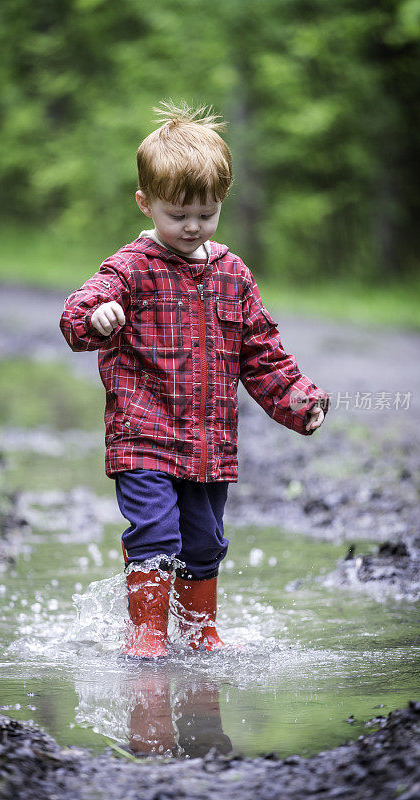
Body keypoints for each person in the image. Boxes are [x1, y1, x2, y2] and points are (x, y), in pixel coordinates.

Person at [60, 101, 330, 660]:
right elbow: (79, 311)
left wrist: (298, 399)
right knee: (155, 534)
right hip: (143, 436)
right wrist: (96, 317)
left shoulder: (232, 273)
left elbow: (261, 352)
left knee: (205, 542)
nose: (192, 227)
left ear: (220, 204)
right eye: (177, 214)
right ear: (146, 203)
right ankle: (147, 634)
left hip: (208, 441)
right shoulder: (129, 268)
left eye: (205, 214)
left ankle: (201, 631)